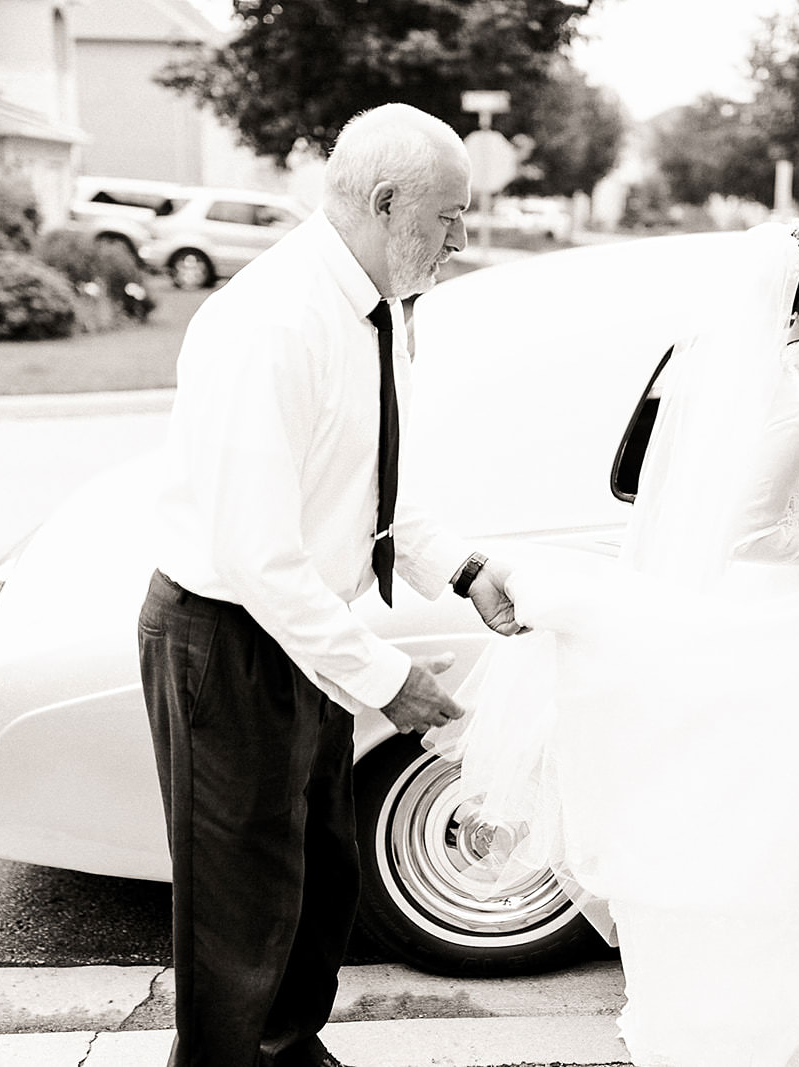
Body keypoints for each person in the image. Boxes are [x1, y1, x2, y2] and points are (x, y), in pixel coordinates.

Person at [428, 213, 799, 1067]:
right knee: (784, 817)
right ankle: (761, 989)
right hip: (790, 628)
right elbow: (746, 535)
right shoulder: (795, 403)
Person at [136, 102, 521, 1067]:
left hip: (302, 632)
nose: (461, 238)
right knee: (240, 907)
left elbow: (370, 487)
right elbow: (258, 554)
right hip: (228, 642)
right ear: (388, 203)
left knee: (317, 880)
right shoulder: (270, 321)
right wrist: (388, 678)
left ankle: (289, 1046)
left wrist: (464, 571)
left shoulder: (372, 306)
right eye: (449, 216)